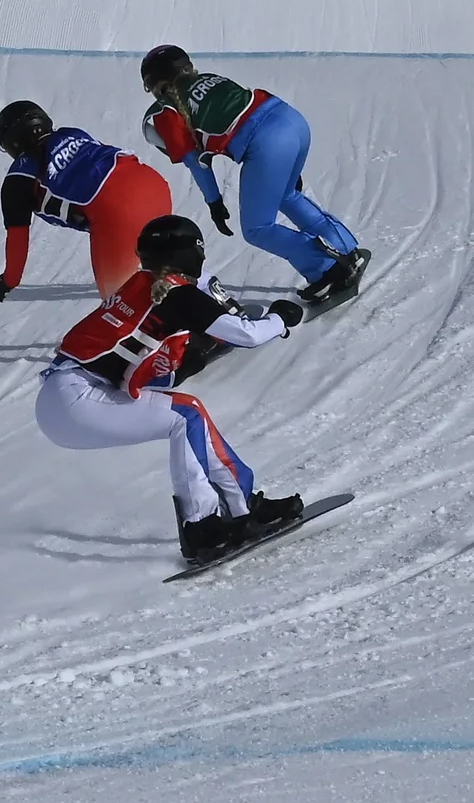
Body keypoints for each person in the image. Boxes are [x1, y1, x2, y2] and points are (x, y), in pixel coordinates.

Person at [35, 213, 308, 564]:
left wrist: (186, 359)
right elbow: (248, 335)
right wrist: (280, 319)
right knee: (185, 415)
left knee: (189, 413)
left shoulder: (143, 284)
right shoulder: (178, 295)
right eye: (200, 250)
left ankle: (241, 506)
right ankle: (202, 527)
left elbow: (135, 354)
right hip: (77, 396)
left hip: (65, 397)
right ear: (188, 253)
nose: (203, 258)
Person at [138, 44, 368, 306]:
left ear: (154, 84)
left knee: (257, 228)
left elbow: (196, 162)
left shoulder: (166, 110)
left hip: (267, 142)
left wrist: (214, 202)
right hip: (291, 120)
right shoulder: (208, 78)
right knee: (287, 195)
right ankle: (347, 247)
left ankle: (329, 269)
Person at [0, 99, 174, 296]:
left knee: (122, 306)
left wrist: (9, 281)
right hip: (153, 184)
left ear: (12, 143)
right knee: (170, 279)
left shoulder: (17, 178)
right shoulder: (72, 133)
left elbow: (18, 240)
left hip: (118, 213)